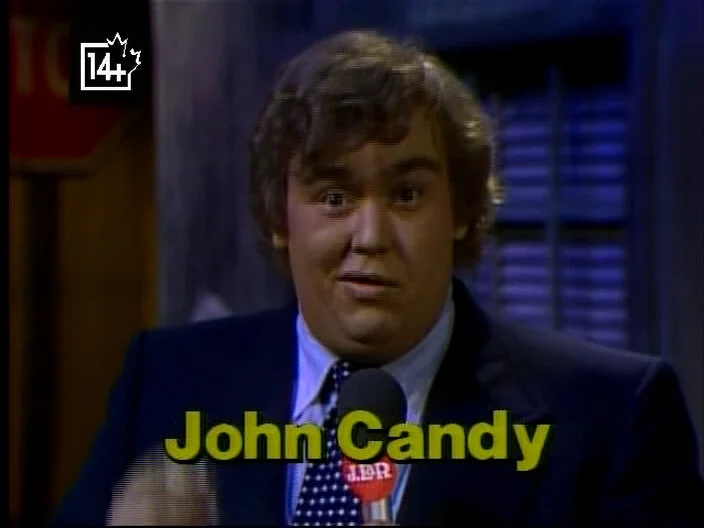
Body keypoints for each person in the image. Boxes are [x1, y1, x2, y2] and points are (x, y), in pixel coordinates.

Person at [54, 30, 704, 526]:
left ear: (462, 211)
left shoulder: (613, 419)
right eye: (334, 197)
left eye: (407, 195)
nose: (370, 236)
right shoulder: (167, 381)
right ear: (280, 218)